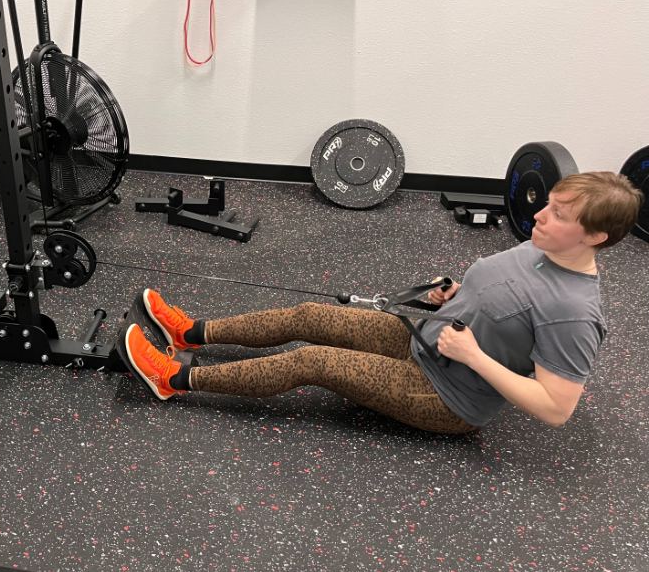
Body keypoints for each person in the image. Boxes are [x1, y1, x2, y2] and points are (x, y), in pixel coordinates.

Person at [116, 172, 644, 435]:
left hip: (448, 396)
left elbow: (557, 408)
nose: (541, 216)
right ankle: (192, 335)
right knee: (309, 318)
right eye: (548, 204)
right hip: (431, 342)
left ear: (594, 236)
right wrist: (459, 295)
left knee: (311, 359)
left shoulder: (576, 314)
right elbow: (506, 299)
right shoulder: (541, 244)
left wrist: (475, 358)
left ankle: (174, 382)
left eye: (558, 214)